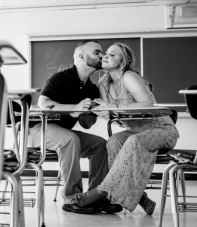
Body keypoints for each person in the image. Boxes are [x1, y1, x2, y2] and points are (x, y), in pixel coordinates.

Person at [74, 43, 179, 214]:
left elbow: (147, 104)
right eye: (105, 53)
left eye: (112, 54)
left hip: (162, 129)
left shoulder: (128, 76)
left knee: (134, 141)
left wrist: (111, 105)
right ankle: (142, 199)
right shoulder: (103, 83)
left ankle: (101, 191)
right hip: (136, 131)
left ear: (123, 61)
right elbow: (112, 113)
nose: (105, 56)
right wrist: (97, 109)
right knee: (114, 141)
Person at [31, 40, 121, 213]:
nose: (102, 56)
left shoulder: (92, 89)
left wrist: (91, 111)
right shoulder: (61, 78)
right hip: (37, 129)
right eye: (97, 52)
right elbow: (43, 103)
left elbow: (86, 125)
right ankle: (72, 198)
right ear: (81, 56)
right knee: (70, 139)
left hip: (63, 132)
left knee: (100, 144)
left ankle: (94, 197)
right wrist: (76, 107)